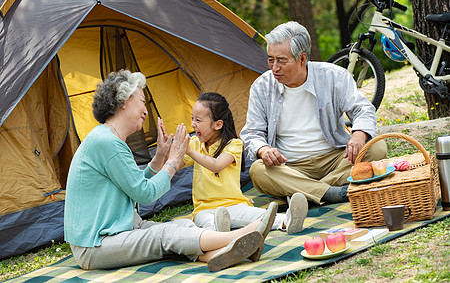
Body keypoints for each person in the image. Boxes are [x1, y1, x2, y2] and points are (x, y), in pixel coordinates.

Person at [64, 70, 275, 272]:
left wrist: (158, 159)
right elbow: (144, 194)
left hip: (119, 228)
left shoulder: (108, 139)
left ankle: (218, 254)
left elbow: (134, 184)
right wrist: (172, 161)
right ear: (124, 102)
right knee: (165, 235)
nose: (146, 111)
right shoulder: (106, 142)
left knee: (182, 225)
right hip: (96, 244)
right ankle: (241, 236)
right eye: (142, 102)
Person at [240, 21, 387, 206]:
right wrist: (263, 149)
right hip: (289, 166)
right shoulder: (262, 86)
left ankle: (307, 193)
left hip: (336, 158)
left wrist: (359, 133)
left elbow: (363, 109)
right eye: (271, 59)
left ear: (302, 59)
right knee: (258, 170)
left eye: (282, 60)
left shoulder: (333, 76)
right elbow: (252, 132)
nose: (274, 67)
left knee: (376, 147)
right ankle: (330, 192)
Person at [182, 92, 309, 261]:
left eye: (198, 120)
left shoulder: (233, 144)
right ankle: (222, 233)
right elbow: (175, 164)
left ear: (218, 124)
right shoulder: (194, 144)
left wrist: (189, 151)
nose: (193, 124)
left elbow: (216, 165)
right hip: (204, 209)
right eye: (192, 119)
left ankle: (288, 220)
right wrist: (166, 149)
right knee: (208, 225)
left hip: (233, 204)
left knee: (258, 216)